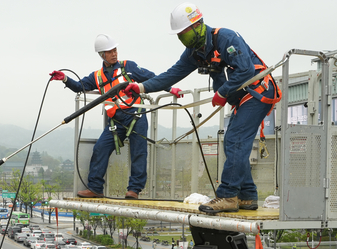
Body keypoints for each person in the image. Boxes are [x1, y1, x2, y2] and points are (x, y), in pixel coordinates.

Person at [124, 3, 280, 212]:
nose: (182, 39)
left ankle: (228, 196)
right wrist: (141, 87)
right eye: (179, 35)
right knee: (233, 143)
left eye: (184, 33)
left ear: (198, 25)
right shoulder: (194, 53)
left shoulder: (225, 38)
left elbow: (245, 69)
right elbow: (171, 75)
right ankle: (247, 196)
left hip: (258, 90)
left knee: (235, 140)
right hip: (243, 97)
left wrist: (223, 92)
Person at [50, 34, 182, 200]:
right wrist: (65, 79)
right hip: (116, 121)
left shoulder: (129, 67)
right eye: (109, 51)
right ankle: (95, 188)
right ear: (101, 55)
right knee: (100, 149)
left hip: (136, 115)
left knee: (138, 152)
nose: (114, 53)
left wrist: (171, 89)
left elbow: (152, 78)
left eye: (115, 50)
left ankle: (134, 189)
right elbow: (80, 87)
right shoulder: (97, 76)